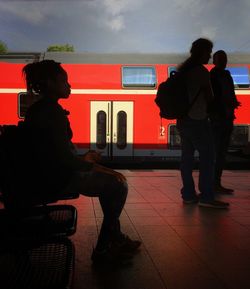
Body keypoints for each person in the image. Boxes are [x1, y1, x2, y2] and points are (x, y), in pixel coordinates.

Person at [21, 60, 141, 264]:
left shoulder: (38, 110)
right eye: (64, 81)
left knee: (110, 182)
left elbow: (56, 151)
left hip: (46, 172)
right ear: (50, 83)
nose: (69, 86)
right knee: (117, 184)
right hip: (58, 177)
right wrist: (96, 166)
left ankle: (116, 238)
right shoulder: (52, 112)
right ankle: (104, 250)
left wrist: (85, 158)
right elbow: (65, 159)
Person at [176, 38, 229, 209]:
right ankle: (207, 196)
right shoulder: (201, 72)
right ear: (202, 52)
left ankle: (189, 195)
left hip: (183, 121)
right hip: (198, 120)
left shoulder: (183, 71)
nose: (210, 55)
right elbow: (210, 99)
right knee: (208, 157)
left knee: (187, 159)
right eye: (208, 52)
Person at [209, 50, 241, 194]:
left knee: (221, 153)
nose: (224, 61)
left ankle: (217, 183)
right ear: (214, 62)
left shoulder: (227, 75)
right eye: (220, 59)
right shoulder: (212, 76)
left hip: (228, 117)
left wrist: (233, 102)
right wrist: (224, 104)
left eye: (225, 58)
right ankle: (211, 184)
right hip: (217, 119)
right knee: (216, 152)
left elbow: (230, 93)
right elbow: (212, 98)